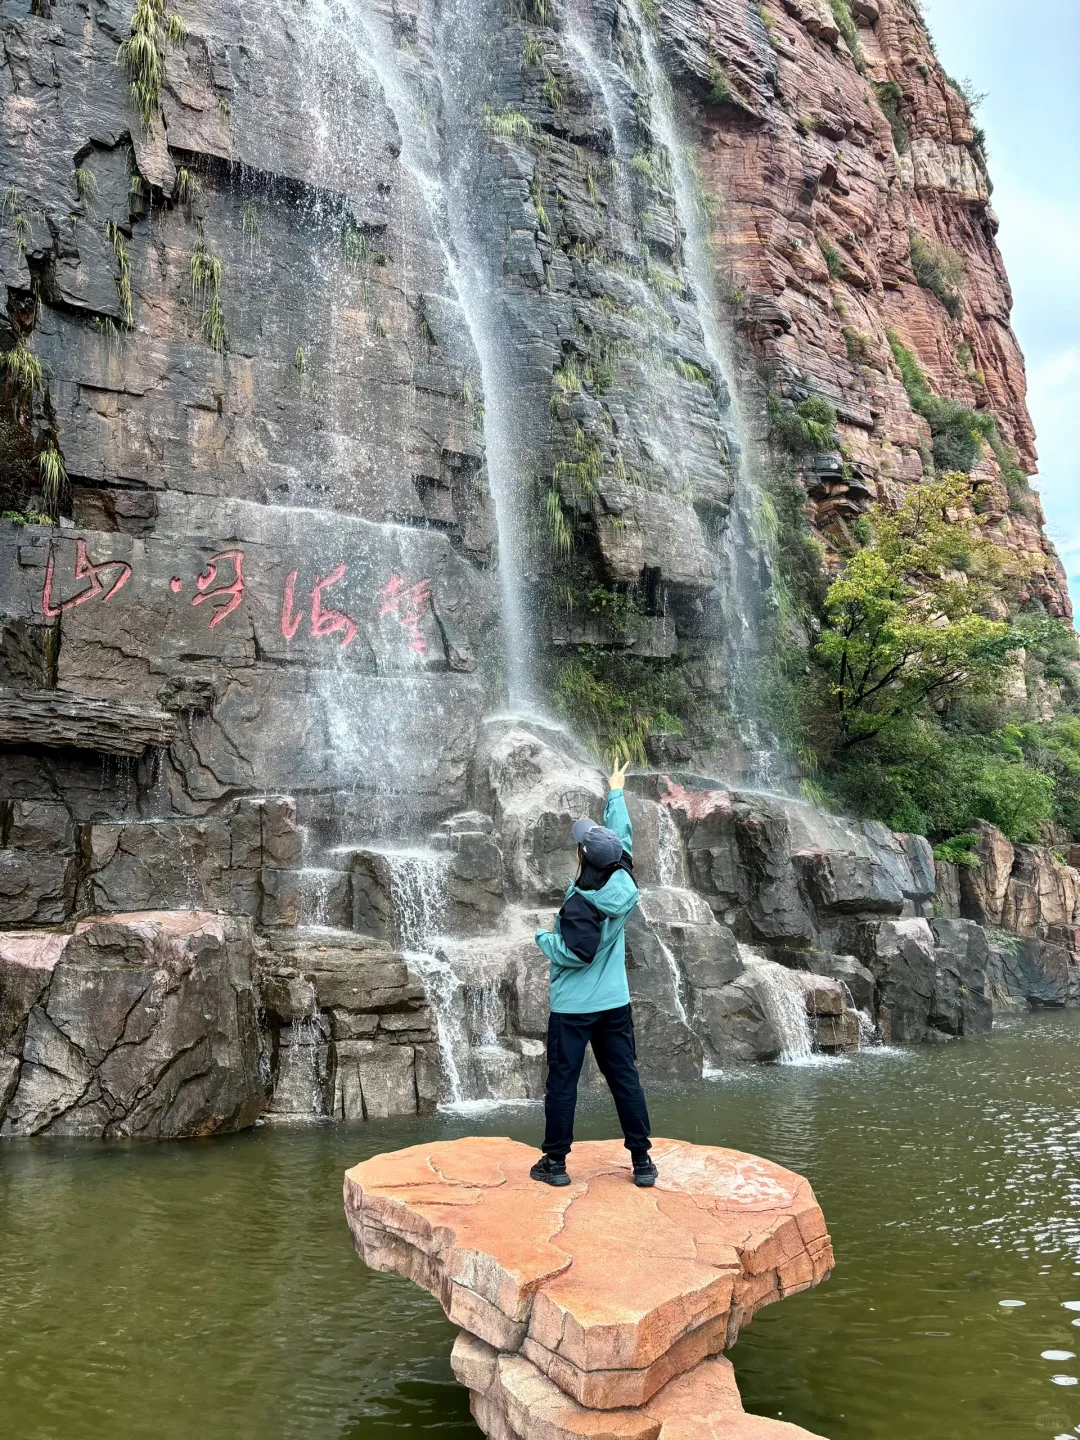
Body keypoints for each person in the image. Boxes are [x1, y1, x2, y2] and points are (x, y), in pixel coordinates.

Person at [530, 757, 656, 1189]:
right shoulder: (622, 876)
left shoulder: (580, 899)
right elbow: (620, 839)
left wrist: (542, 939)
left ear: (584, 857)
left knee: (563, 1082)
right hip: (614, 1003)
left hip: (573, 1008)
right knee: (624, 1077)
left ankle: (555, 1164)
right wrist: (615, 791)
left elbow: (575, 953)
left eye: (582, 844)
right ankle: (642, 1162)